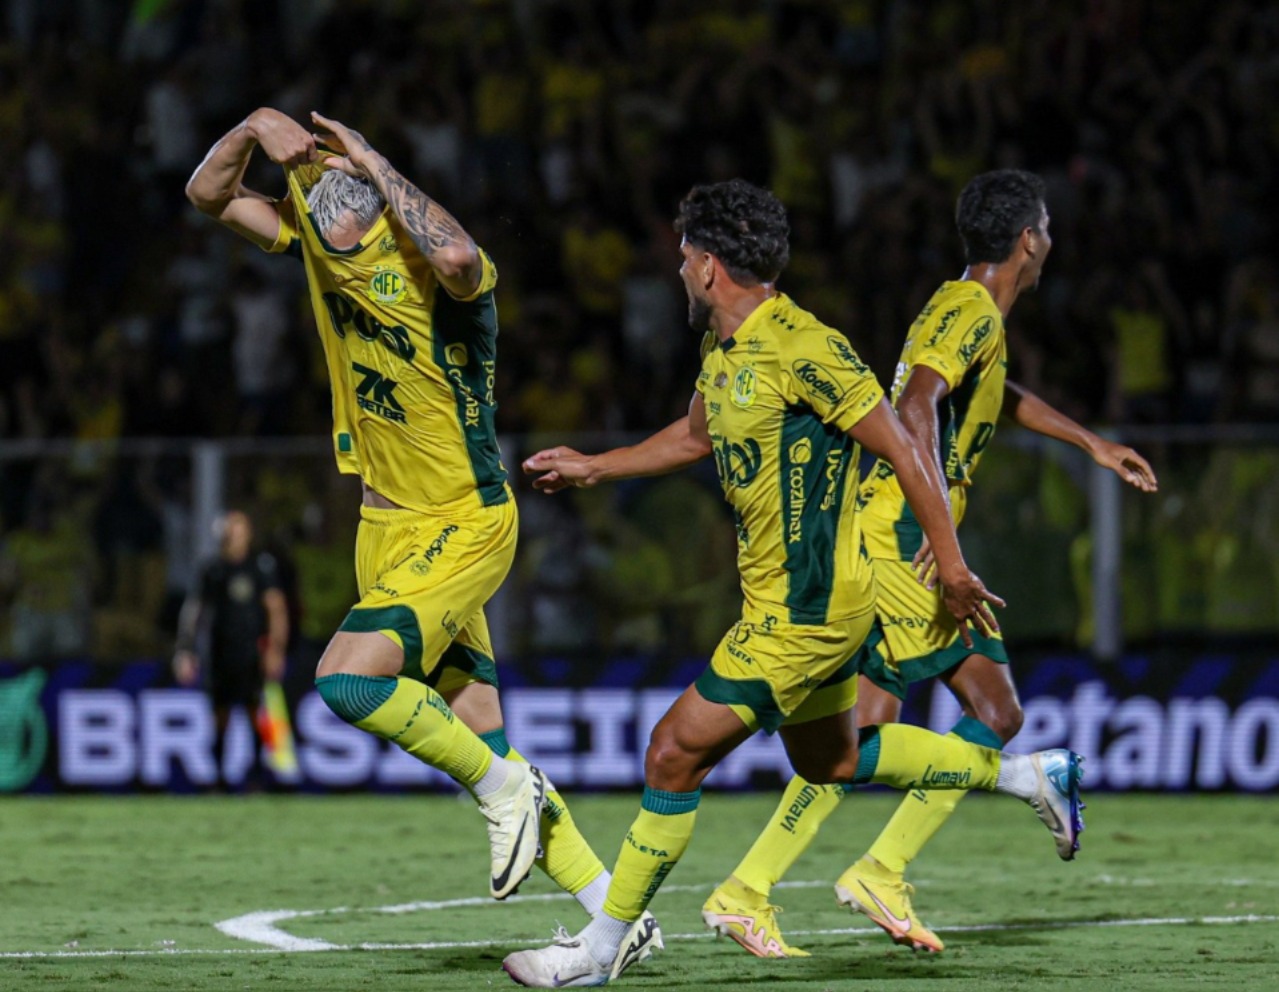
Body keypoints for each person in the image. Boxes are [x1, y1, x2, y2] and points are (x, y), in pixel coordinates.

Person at [501, 178, 1084, 987]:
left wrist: (951, 567)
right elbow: (696, 435)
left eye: (683, 259)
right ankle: (1025, 775)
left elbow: (904, 445)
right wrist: (597, 466)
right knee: (832, 762)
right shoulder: (724, 349)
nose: (679, 273)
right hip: (793, 601)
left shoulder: (804, 345)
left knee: (671, 752)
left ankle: (601, 950)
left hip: (807, 610)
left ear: (709, 266)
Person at [702, 169, 1159, 959]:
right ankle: (880, 868)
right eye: (1047, 229)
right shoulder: (971, 309)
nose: (1049, 242)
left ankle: (748, 890)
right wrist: (940, 534)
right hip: (900, 537)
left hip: (884, 530)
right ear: (1028, 240)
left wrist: (1088, 441)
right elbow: (916, 402)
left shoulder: (963, 308)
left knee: (862, 731)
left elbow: (989, 392)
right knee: (996, 713)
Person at [185, 109, 622, 921]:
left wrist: (372, 156)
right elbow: (207, 195)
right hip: (384, 529)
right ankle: (612, 916)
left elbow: (457, 255)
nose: (320, 239)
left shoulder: (442, 276)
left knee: (347, 682)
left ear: (375, 209)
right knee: (483, 735)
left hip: (463, 519)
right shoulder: (313, 237)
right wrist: (251, 128)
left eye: (336, 230)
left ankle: (506, 791)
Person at [173, 510, 288, 788]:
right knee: (219, 716)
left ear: (248, 534)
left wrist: (276, 649)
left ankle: (258, 775)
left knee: (255, 712)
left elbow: (276, 608)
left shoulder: (260, 566)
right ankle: (219, 778)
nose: (234, 536)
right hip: (219, 653)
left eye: (239, 530)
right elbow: (195, 610)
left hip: (252, 653)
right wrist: (185, 649)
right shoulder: (213, 570)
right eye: (230, 531)